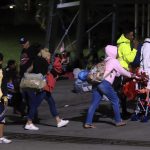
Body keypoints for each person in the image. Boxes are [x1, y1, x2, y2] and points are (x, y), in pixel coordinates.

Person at [84, 45, 135, 128]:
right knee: (115, 100)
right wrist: (131, 75)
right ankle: (118, 121)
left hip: (96, 82)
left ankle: (88, 123)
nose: (118, 53)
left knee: (94, 103)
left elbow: (116, 73)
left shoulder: (105, 61)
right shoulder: (114, 61)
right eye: (117, 51)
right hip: (104, 83)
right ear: (113, 52)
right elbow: (122, 71)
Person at [24, 48, 69, 130]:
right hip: (44, 86)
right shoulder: (45, 63)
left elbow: (30, 69)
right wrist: (60, 61)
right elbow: (58, 68)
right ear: (46, 56)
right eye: (48, 56)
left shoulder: (39, 61)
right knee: (35, 104)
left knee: (51, 102)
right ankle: (29, 122)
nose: (50, 57)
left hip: (43, 86)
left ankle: (58, 121)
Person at [114, 27, 138, 119]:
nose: (133, 37)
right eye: (131, 35)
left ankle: (123, 112)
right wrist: (135, 48)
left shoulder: (123, 43)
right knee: (121, 92)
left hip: (122, 69)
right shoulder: (124, 44)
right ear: (126, 35)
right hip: (122, 71)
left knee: (122, 92)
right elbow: (130, 59)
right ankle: (121, 114)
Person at [0, 53, 12, 143]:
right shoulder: (2, 71)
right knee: (1, 118)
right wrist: (5, 97)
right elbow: (4, 86)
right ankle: (0, 137)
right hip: (0, 98)